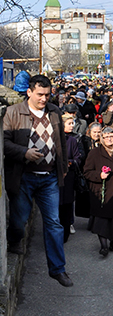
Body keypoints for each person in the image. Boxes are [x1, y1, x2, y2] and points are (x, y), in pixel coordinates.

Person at [4, 75, 72, 286]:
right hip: (24, 177)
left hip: (49, 177)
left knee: (54, 223)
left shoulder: (54, 111)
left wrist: (63, 166)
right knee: (19, 220)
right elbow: (3, 143)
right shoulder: (14, 112)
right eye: (40, 94)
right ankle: (14, 240)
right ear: (29, 92)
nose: (44, 99)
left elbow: (61, 141)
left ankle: (57, 269)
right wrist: (24, 152)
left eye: (47, 94)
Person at [84, 126, 113, 256]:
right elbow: (87, 172)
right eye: (106, 137)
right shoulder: (94, 153)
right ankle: (103, 246)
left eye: (112, 136)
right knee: (101, 221)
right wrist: (99, 176)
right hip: (100, 193)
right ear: (101, 139)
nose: (109, 139)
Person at [60, 113, 84, 242]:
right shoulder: (55, 138)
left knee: (67, 204)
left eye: (72, 123)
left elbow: (77, 158)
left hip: (69, 176)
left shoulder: (73, 140)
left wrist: (70, 162)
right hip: (56, 176)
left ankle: (66, 230)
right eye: (69, 123)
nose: (72, 125)